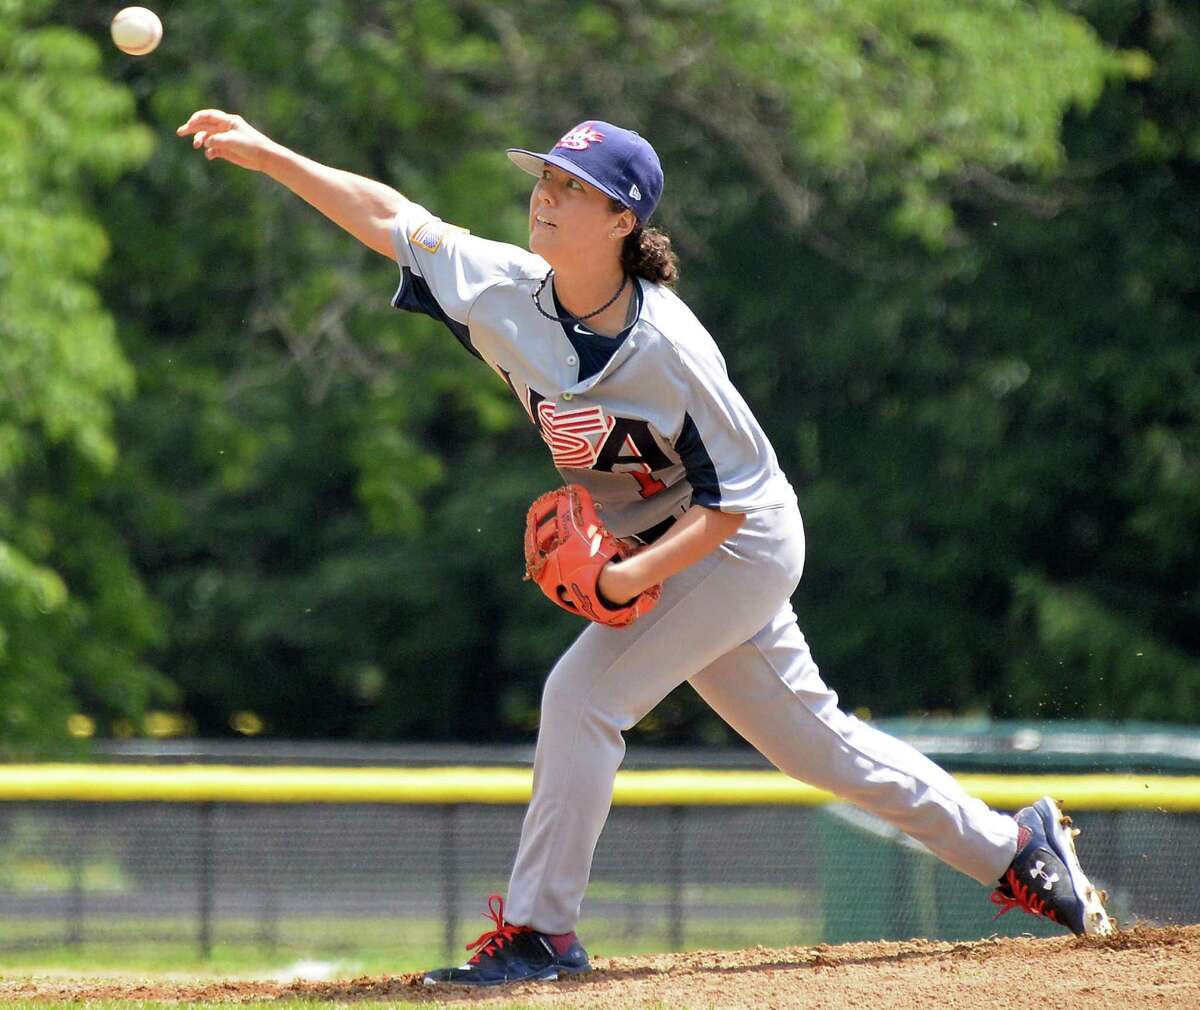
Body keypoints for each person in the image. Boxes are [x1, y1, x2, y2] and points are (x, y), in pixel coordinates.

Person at [177, 110, 1115, 986]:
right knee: (814, 747)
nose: (544, 194)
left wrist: (630, 574)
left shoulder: (670, 349)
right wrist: (268, 153)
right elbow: (389, 214)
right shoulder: (501, 288)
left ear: (622, 219)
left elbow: (737, 503)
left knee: (582, 695)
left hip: (738, 544)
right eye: (545, 177)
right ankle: (1016, 849)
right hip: (666, 540)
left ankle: (543, 933)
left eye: (571, 188)